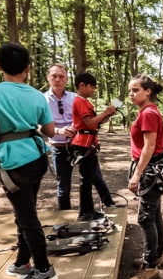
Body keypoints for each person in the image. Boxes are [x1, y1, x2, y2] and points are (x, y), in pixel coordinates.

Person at [0, 42, 58, 279]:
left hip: (14, 161)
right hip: (37, 156)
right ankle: (23, 262)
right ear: (28, 69)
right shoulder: (36, 94)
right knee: (26, 210)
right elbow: (50, 131)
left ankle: (43, 269)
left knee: (26, 215)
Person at [44, 63, 115, 211]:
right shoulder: (41, 99)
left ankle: (110, 207)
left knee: (94, 178)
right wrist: (58, 131)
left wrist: (106, 115)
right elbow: (37, 125)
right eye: (54, 76)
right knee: (64, 186)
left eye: (61, 76)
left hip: (81, 145)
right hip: (59, 146)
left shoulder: (76, 98)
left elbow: (89, 122)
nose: (57, 79)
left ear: (67, 80)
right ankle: (65, 218)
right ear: (48, 78)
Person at [125, 74, 163, 279]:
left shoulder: (149, 113)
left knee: (145, 218)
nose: (131, 94)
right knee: (154, 215)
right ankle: (157, 255)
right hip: (155, 167)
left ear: (148, 91)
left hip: (152, 169)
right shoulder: (146, 111)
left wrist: (137, 175)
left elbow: (149, 147)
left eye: (135, 90)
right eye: (130, 90)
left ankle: (150, 266)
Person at [71, 71, 117, 221]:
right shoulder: (80, 101)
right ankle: (84, 213)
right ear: (82, 85)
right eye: (92, 87)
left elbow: (95, 121)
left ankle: (89, 210)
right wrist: (106, 112)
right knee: (85, 179)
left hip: (89, 142)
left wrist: (107, 115)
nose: (93, 90)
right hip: (84, 143)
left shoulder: (85, 101)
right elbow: (89, 123)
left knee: (89, 177)